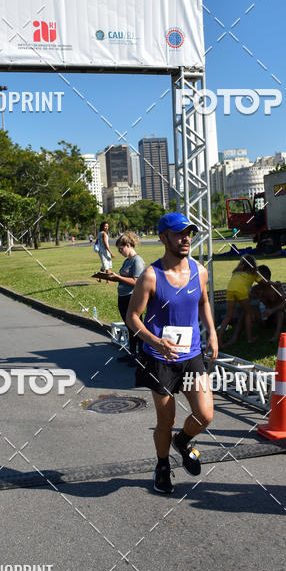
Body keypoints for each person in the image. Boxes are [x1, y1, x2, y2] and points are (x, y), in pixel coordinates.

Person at [127, 212, 218, 495]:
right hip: (160, 359)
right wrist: (154, 341)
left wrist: (212, 332)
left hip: (190, 356)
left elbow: (203, 301)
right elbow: (132, 317)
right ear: (163, 237)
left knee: (204, 414)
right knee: (166, 421)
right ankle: (162, 465)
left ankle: (183, 441)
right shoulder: (151, 276)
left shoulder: (199, 271)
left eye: (188, 233)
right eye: (179, 234)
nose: (186, 238)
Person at [104, 232, 145, 362]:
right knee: (129, 327)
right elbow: (123, 279)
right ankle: (132, 353)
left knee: (136, 328)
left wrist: (118, 277)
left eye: (121, 248)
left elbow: (136, 281)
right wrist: (111, 277)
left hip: (132, 297)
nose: (120, 251)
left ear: (128, 245)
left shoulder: (137, 260)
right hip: (123, 296)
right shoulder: (127, 261)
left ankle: (141, 356)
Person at [217, 255, 261, 346]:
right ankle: (249, 338)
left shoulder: (236, 271)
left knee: (228, 316)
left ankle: (219, 339)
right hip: (241, 291)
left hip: (230, 290)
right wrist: (274, 283)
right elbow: (264, 282)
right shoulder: (253, 273)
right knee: (248, 313)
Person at [251, 265, 286, 342]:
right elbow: (247, 300)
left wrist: (272, 310)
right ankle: (250, 336)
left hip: (278, 316)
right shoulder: (255, 289)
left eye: (258, 276)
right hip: (265, 317)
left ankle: (277, 335)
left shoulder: (275, 287)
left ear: (266, 277)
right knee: (251, 309)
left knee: (280, 312)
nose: (256, 278)